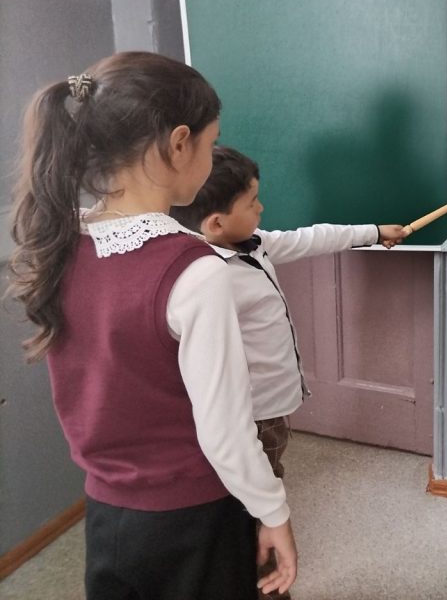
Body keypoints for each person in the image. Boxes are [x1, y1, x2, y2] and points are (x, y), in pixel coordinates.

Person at [8, 52, 297, 599]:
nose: (211, 157)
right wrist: (274, 511)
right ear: (180, 143)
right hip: (194, 516)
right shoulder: (196, 271)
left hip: (108, 510)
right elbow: (225, 433)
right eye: (211, 144)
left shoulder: (60, 241)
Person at [169, 146, 407, 596]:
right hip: (251, 417)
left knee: (261, 487)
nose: (262, 208)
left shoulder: (251, 244)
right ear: (216, 222)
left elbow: (311, 239)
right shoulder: (206, 278)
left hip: (273, 408)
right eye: (252, 202)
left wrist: (374, 232)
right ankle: (267, 582)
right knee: (254, 506)